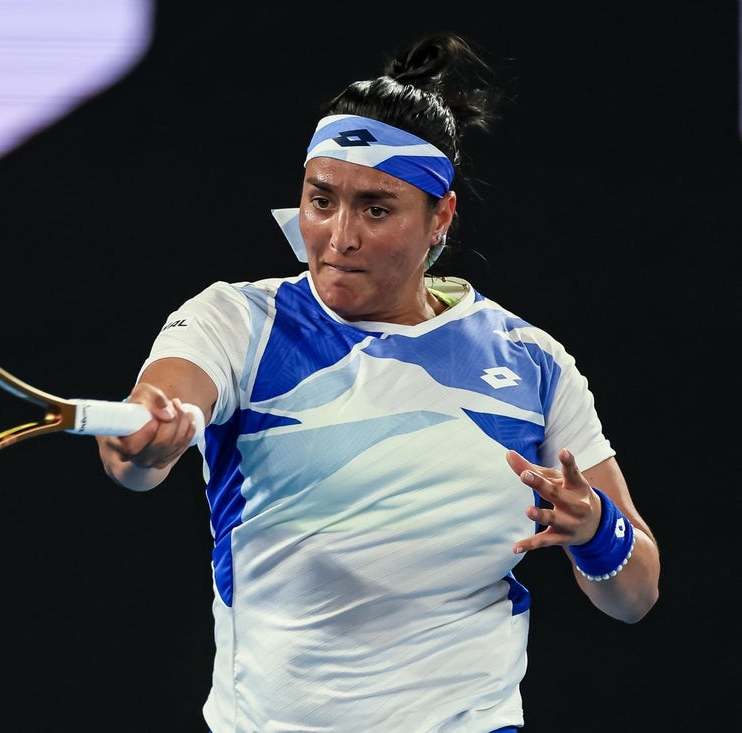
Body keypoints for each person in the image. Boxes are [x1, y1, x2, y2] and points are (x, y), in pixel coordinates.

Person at [95, 31, 660, 733]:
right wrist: (149, 438)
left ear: (440, 218)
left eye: (376, 208)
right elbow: (141, 445)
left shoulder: (532, 363)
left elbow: (635, 592)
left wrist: (597, 529)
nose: (338, 237)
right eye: (321, 199)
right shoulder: (237, 321)